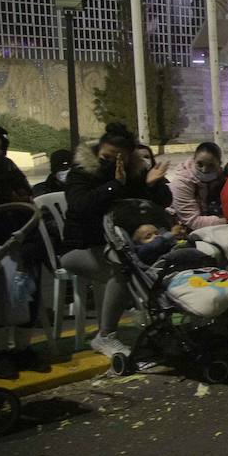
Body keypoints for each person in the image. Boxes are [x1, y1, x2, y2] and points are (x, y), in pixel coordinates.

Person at [61, 123, 171, 357]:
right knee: (124, 270)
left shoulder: (134, 171)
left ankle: (162, 325)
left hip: (124, 245)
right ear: (98, 151)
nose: (112, 163)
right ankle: (105, 336)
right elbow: (80, 206)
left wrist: (152, 185)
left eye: (119, 158)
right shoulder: (82, 171)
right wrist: (114, 185)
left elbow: (159, 204)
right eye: (106, 158)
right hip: (81, 247)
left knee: (161, 262)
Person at [169, 141, 228, 232]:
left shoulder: (221, 178)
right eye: (200, 164)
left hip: (210, 221)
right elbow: (192, 221)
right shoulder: (181, 183)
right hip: (184, 227)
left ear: (219, 164)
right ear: (194, 160)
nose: (204, 170)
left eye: (211, 165)